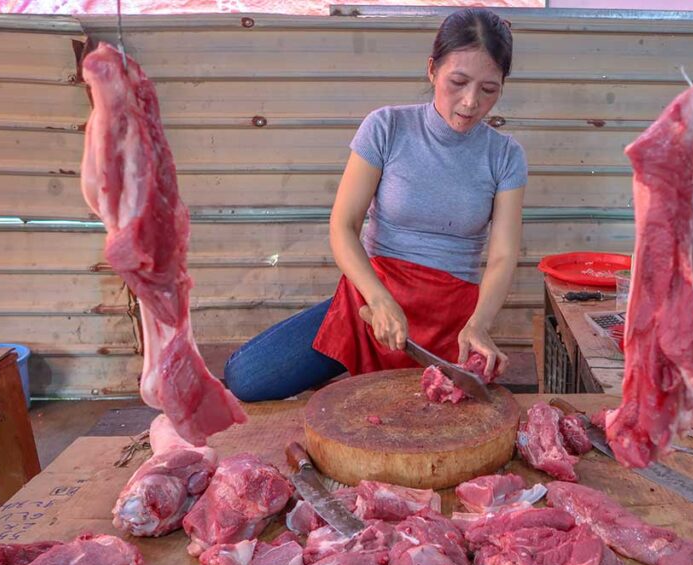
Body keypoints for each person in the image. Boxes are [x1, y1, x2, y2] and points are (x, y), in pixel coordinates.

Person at [225, 8, 527, 402]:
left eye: (489, 89)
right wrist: (379, 299)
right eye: (458, 82)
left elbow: (503, 255)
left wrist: (479, 324)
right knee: (248, 378)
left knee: (428, 417)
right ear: (432, 70)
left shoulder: (505, 156)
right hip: (372, 297)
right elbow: (343, 226)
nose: (470, 102)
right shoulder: (386, 127)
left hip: (450, 319)